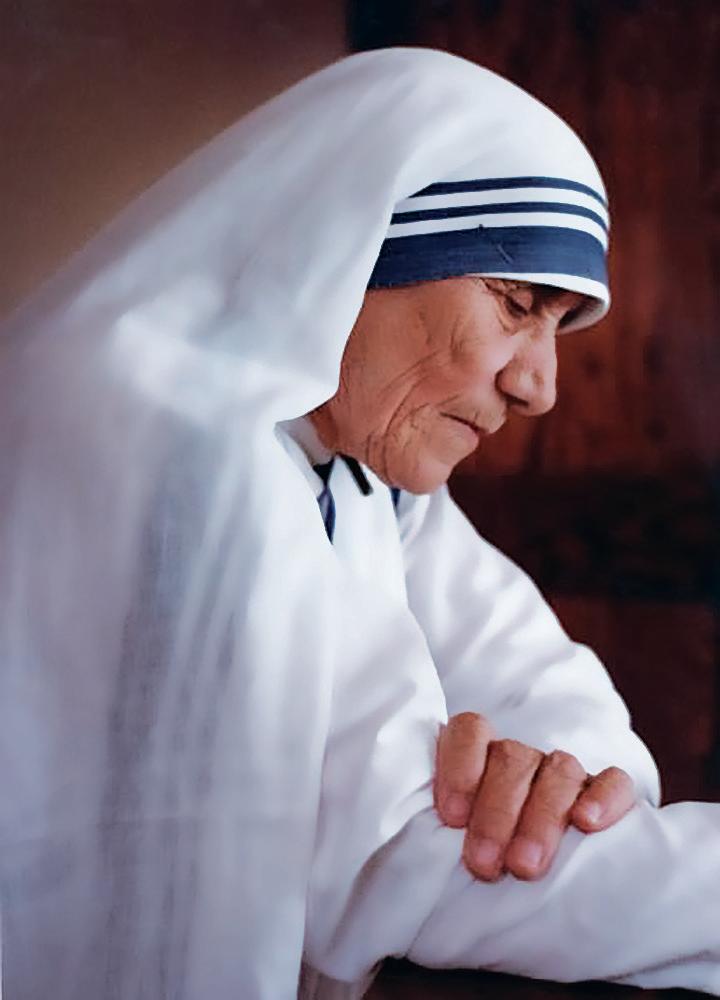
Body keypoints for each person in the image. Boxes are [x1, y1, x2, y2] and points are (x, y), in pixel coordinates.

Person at [0, 46, 718, 1000]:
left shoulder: (361, 472)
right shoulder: (174, 453)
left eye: (559, 329)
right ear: (350, 248)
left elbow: (533, 672)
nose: (540, 385)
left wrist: (562, 771)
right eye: (516, 304)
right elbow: (398, 857)